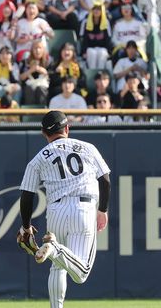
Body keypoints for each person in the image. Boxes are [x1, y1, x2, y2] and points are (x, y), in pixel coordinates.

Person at [17, 110, 111, 308]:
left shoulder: (38, 159)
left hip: (55, 211)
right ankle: (55, 248)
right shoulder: (87, 148)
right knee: (81, 273)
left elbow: (26, 195)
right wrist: (102, 210)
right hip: (83, 208)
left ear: (44, 133)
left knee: (58, 267)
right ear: (67, 128)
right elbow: (105, 180)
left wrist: (26, 227)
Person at [79, 0, 112, 70]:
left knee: (102, 53)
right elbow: (83, 39)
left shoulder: (106, 22)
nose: (96, 11)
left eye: (99, 9)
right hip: (90, 48)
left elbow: (108, 39)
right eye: (94, 9)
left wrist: (109, 52)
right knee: (92, 53)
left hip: (102, 48)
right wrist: (84, 52)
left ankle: (100, 73)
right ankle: (92, 73)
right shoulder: (85, 22)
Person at [19, 40, 51, 105]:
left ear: (43, 50)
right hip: (28, 86)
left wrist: (44, 71)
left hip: (43, 86)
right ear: (31, 50)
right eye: (35, 48)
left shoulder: (48, 62)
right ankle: (29, 113)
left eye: (40, 48)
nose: (37, 50)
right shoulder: (25, 62)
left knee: (40, 89)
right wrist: (31, 70)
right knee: (29, 88)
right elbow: (21, 77)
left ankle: (42, 112)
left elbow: (52, 77)